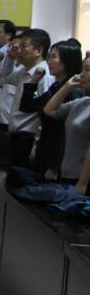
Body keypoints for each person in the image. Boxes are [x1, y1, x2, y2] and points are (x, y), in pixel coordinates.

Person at [18, 39, 84, 179]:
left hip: (57, 158)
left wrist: (55, 166)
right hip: (44, 149)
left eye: (54, 57)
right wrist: (33, 81)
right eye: (49, 57)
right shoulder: (56, 87)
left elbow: (66, 134)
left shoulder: (73, 91)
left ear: (67, 60)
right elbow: (27, 107)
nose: (49, 61)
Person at [0, 28, 52, 166]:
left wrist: (36, 146)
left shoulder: (45, 75)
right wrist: (10, 57)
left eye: (24, 46)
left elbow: (44, 113)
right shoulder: (24, 71)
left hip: (29, 138)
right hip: (16, 135)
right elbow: (5, 76)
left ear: (39, 51)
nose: (19, 50)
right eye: (18, 46)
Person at [43, 55, 90, 192]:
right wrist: (67, 86)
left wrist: (83, 182)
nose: (81, 75)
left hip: (82, 179)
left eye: (87, 70)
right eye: (82, 69)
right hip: (67, 173)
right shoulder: (83, 101)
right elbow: (49, 110)